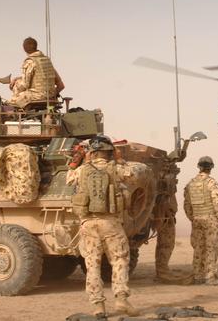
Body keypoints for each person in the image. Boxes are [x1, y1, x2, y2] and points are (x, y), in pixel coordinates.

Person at [68, 135, 139, 317]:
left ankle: (98, 306)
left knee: (92, 265)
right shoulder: (116, 168)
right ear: (109, 152)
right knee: (119, 260)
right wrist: (119, 158)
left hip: (89, 224)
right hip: (111, 223)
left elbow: (69, 179)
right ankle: (121, 300)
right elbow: (133, 175)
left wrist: (77, 161)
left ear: (92, 152)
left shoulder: (82, 170)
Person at [183, 156, 218, 286]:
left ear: (199, 167)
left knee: (199, 247)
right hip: (211, 219)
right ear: (211, 167)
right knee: (211, 248)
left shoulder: (190, 184)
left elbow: (187, 205)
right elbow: (217, 203)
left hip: (196, 219)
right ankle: (210, 276)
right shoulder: (211, 183)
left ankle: (198, 275)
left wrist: (193, 217)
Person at [9, 37, 65, 108]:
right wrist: (51, 96)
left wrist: (13, 86)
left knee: (11, 103)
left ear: (24, 48)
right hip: (50, 96)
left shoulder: (30, 61)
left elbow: (24, 85)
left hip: (36, 96)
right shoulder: (47, 61)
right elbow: (61, 85)